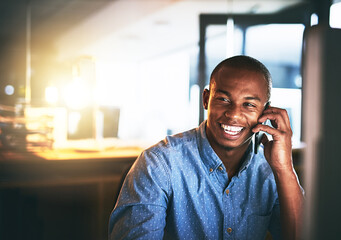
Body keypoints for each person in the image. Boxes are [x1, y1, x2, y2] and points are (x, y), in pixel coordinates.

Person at [109, 55, 304, 240]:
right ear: (205, 100)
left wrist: (284, 169)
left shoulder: (270, 171)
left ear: (266, 111)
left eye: (248, 105)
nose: (234, 115)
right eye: (223, 100)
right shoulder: (159, 163)